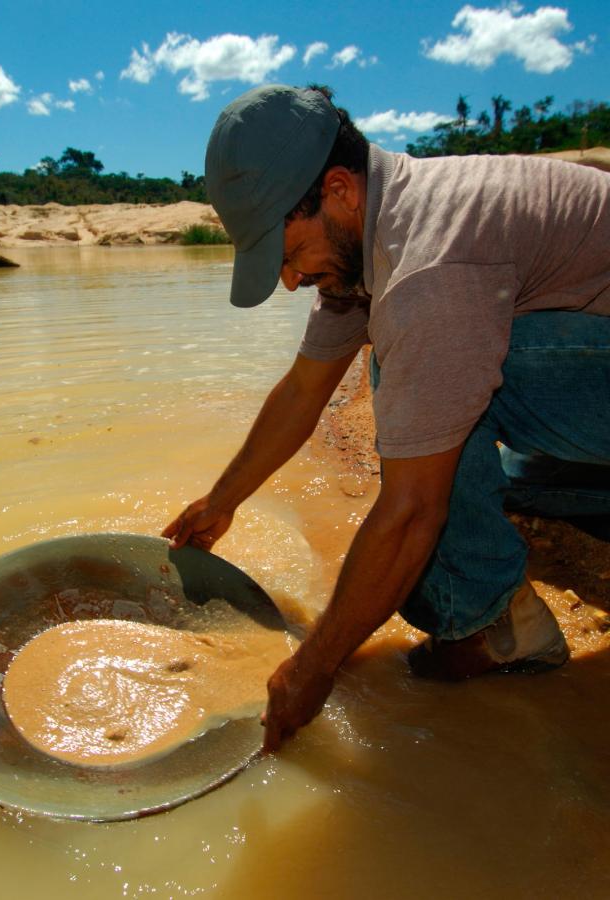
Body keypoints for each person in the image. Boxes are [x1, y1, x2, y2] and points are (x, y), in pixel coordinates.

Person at [162, 84, 610, 752]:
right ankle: (556, 477)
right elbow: (302, 390)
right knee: (432, 378)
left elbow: (411, 511)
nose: (288, 282)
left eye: (286, 257)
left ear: (338, 190)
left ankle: (500, 629)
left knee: (416, 374)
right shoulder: (372, 236)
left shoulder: (425, 271)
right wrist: (221, 501)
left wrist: (314, 666)